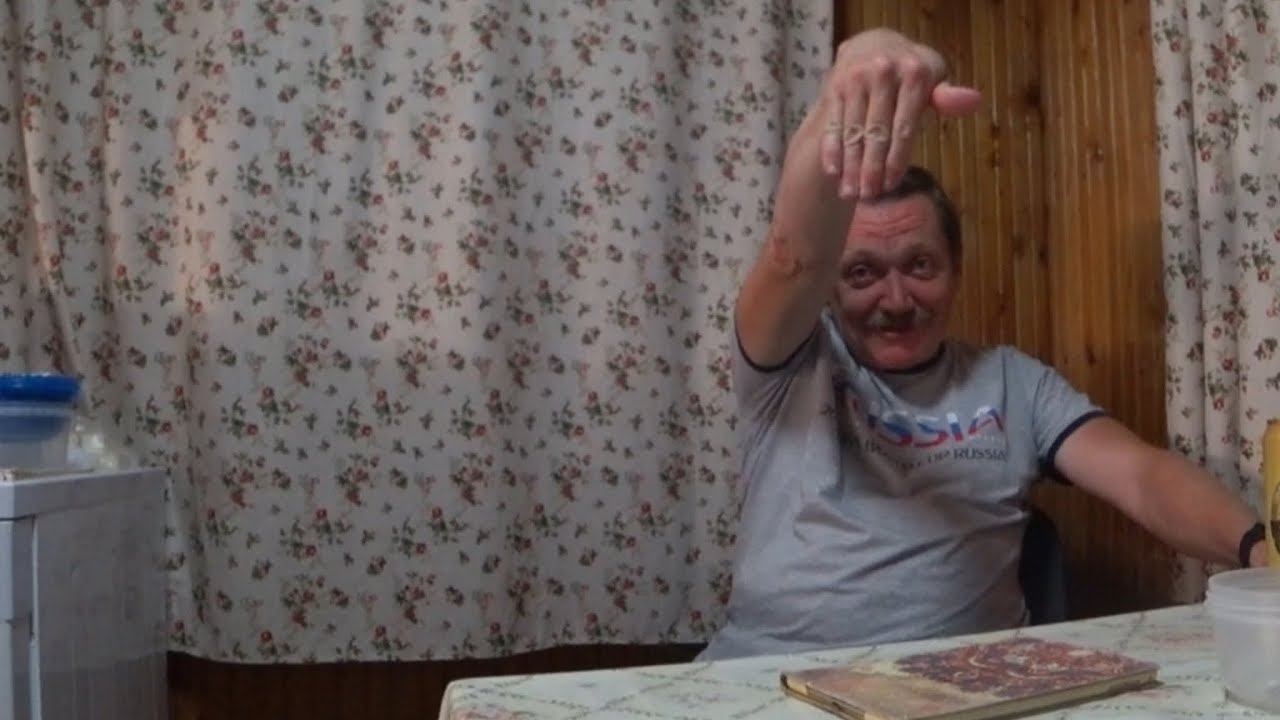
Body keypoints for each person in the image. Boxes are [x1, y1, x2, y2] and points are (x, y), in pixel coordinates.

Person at [699, 27, 1267, 660]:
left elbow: (1142, 475)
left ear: (956, 270)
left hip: (964, 682)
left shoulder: (1013, 382)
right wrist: (848, 86)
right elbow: (792, 258)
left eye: (920, 266)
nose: (896, 299)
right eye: (862, 273)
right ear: (832, 286)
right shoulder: (789, 362)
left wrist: (1261, 549)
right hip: (767, 672)